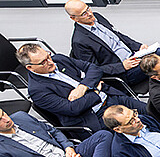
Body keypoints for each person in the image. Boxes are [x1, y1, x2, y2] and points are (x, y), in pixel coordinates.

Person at [17, 43, 147, 133]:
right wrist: (95, 91)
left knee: (151, 112)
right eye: (43, 62)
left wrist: (83, 87)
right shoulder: (37, 91)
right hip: (94, 116)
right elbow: (73, 108)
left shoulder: (59, 59)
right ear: (29, 67)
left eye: (48, 56)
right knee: (134, 128)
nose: (51, 62)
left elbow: (93, 68)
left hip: (111, 96)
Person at [65, 0, 160, 88]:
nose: (90, 14)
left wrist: (138, 46)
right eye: (84, 14)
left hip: (134, 55)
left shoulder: (97, 17)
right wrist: (122, 66)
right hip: (124, 72)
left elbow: (118, 36)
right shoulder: (79, 41)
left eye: (88, 8)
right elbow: (93, 69)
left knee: (159, 52)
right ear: (74, 18)